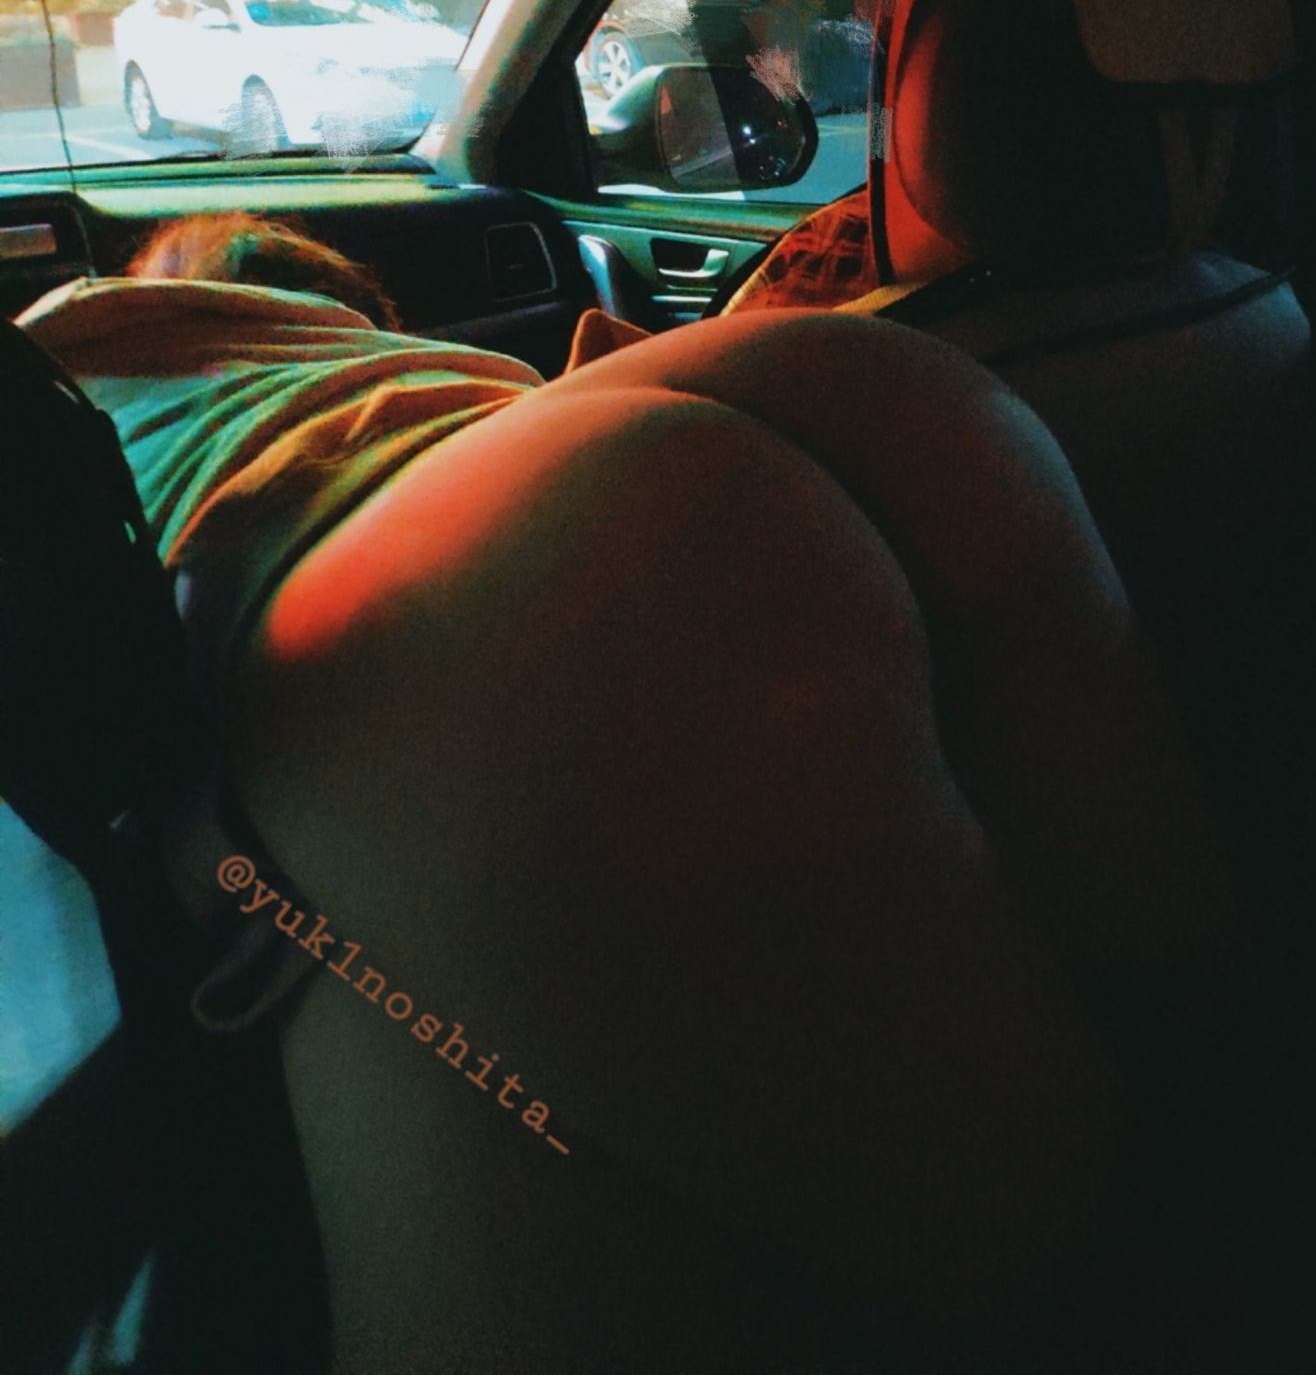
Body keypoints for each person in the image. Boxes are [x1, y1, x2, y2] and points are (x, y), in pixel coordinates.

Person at [18, 211, 1232, 1371]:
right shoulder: (386, 356)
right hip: (843, 384)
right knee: (1183, 1099)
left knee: (1023, 1268)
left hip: (453, 561)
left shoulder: (72, 338)